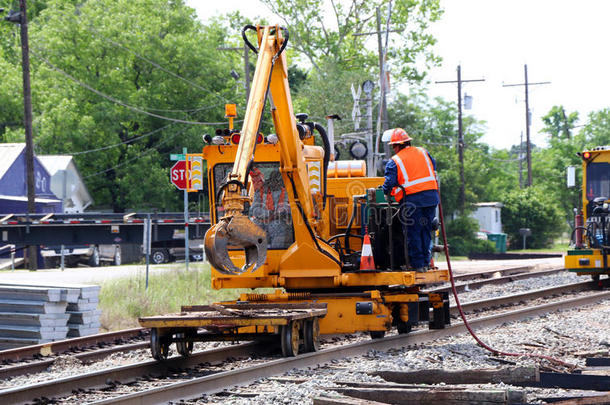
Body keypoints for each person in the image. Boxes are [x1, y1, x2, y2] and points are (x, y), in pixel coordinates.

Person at [381, 128, 439, 272]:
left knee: (413, 232)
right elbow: (433, 167)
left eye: (393, 146)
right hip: (431, 198)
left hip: (412, 201)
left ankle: (418, 265)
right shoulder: (424, 152)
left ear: (397, 145)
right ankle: (425, 263)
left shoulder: (395, 161)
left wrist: (385, 191)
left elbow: (389, 183)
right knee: (425, 230)